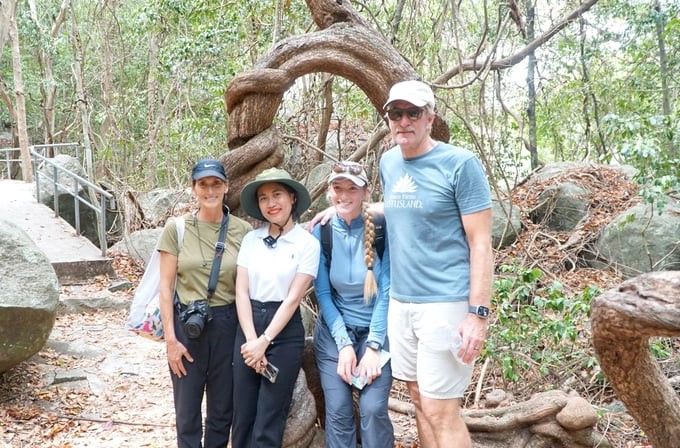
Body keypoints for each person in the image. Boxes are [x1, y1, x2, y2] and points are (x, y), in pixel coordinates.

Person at [310, 80, 493, 447]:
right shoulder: (390, 162)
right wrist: (343, 207)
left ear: (430, 118)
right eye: (396, 113)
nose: (404, 121)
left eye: (414, 113)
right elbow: (398, 208)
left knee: (441, 410)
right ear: (388, 118)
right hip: (401, 306)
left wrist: (478, 314)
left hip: (445, 303)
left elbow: (482, 242)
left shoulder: (460, 165)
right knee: (419, 401)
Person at [157, 158, 252, 448]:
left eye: (216, 184)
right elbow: (165, 287)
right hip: (188, 325)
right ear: (193, 188)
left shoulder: (243, 231)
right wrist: (171, 340)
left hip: (227, 324)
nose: (210, 190)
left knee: (222, 410)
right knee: (187, 411)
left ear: (226, 187)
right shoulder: (177, 229)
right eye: (203, 184)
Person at [232, 167, 321, 448]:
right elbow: (241, 291)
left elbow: (293, 298)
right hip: (247, 326)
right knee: (243, 412)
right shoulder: (251, 239)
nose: (271, 203)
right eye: (263, 197)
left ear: (292, 198)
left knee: (270, 414)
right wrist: (251, 341)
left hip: (283, 331)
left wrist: (265, 341)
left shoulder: (307, 243)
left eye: (277, 194)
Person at [311, 161, 394, 448]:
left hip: (376, 331)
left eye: (352, 189)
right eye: (337, 188)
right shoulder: (322, 232)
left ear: (366, 192)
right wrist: (344, 344)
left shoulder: (382, 229)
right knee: (339, 411)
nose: (343, 195)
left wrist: (373, 346)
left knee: (372, 409)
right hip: (335, 333)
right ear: (329, 192)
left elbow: (387, 292)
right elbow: (322, 293)